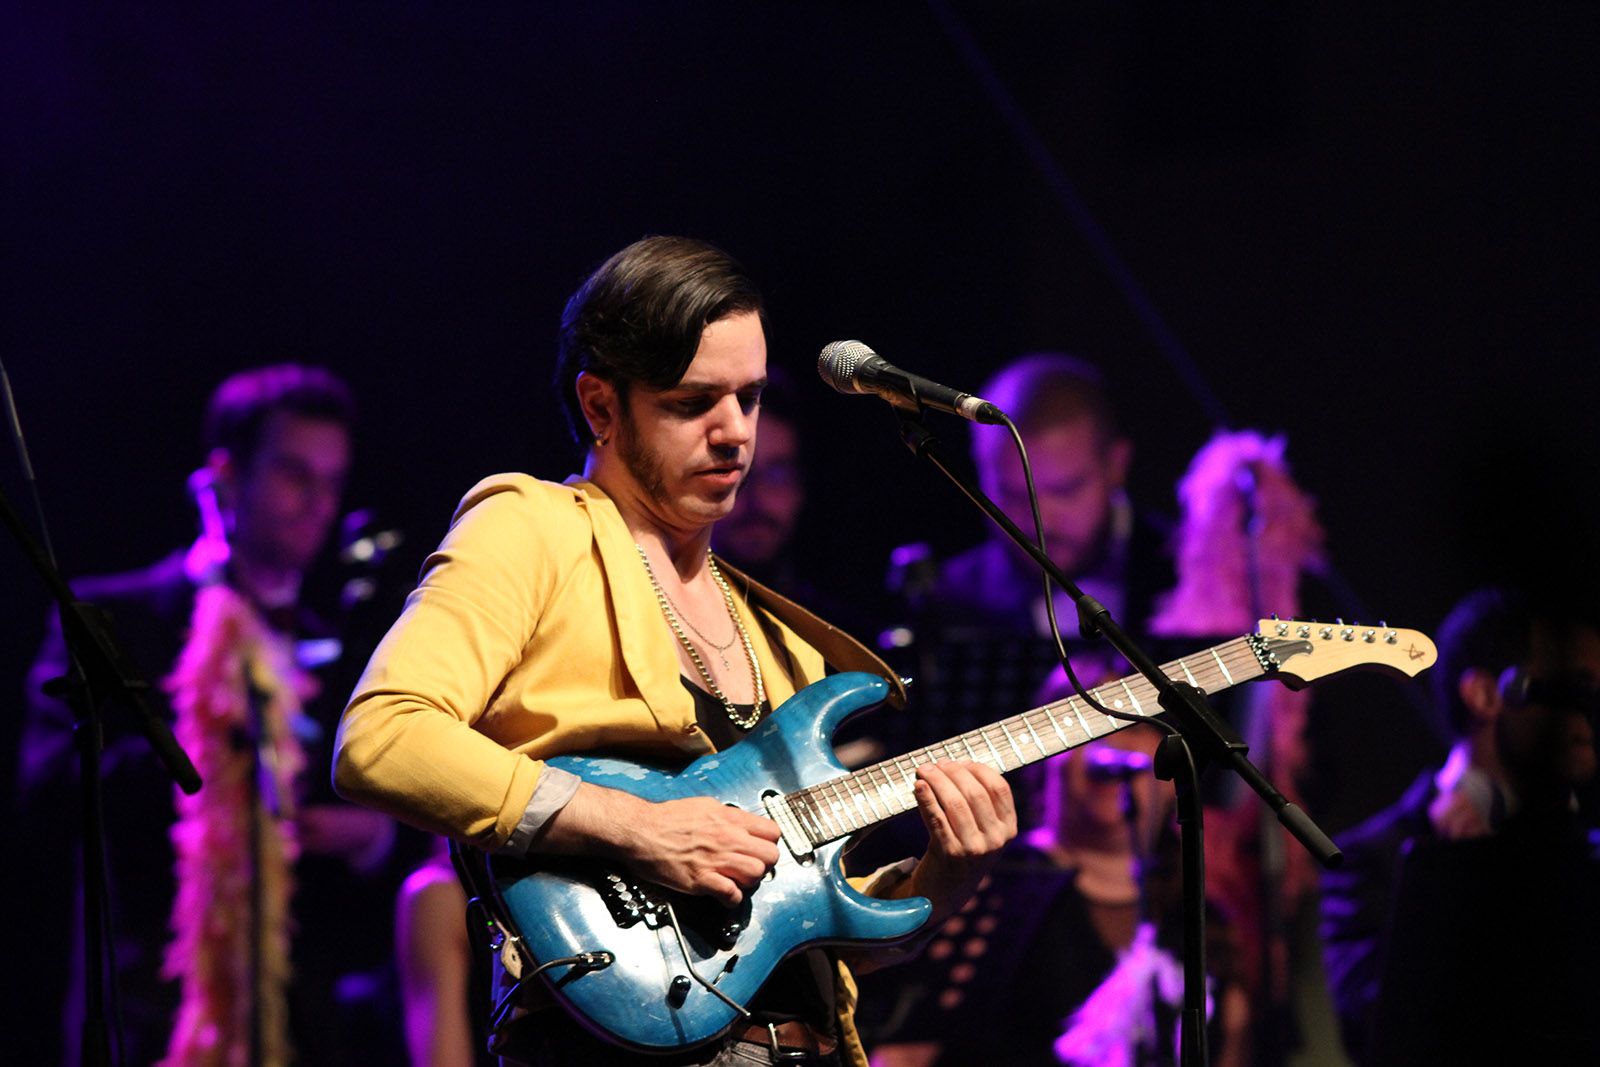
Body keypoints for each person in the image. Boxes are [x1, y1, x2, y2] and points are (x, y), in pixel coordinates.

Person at [334, 235, 1016, 1067]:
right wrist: (638, 828)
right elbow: (382, 736)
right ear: (601, 406)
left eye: (751, 398)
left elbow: (806, 928)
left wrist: (948, 873)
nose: (736, 434)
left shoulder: (784, 640)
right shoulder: (534, 530)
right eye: (695, 403)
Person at [19, 364, 409, 1066]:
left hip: (304, 1027)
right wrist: (223, 745)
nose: (318, 503)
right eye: (295, 474)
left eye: (332, 481)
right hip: (149, 1014)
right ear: (228, 475)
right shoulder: (113, 615)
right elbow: (46, 791)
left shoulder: (341, 651)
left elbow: (404, 853)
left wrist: (369, 837)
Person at [866, 657, 1248, 1067]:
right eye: (1093, 724)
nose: (1113, 744)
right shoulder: (982, 883)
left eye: (1135, 726)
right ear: (1047, 755)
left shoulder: (1195, 915)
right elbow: (904, 1053)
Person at [1319, 587, 1600, 1064]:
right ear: (1486, 695)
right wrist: (1455, 895)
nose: (1587, 714)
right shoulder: (1372, 858)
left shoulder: (1584, 846)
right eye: (1572, 689)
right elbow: (1375, 1032)